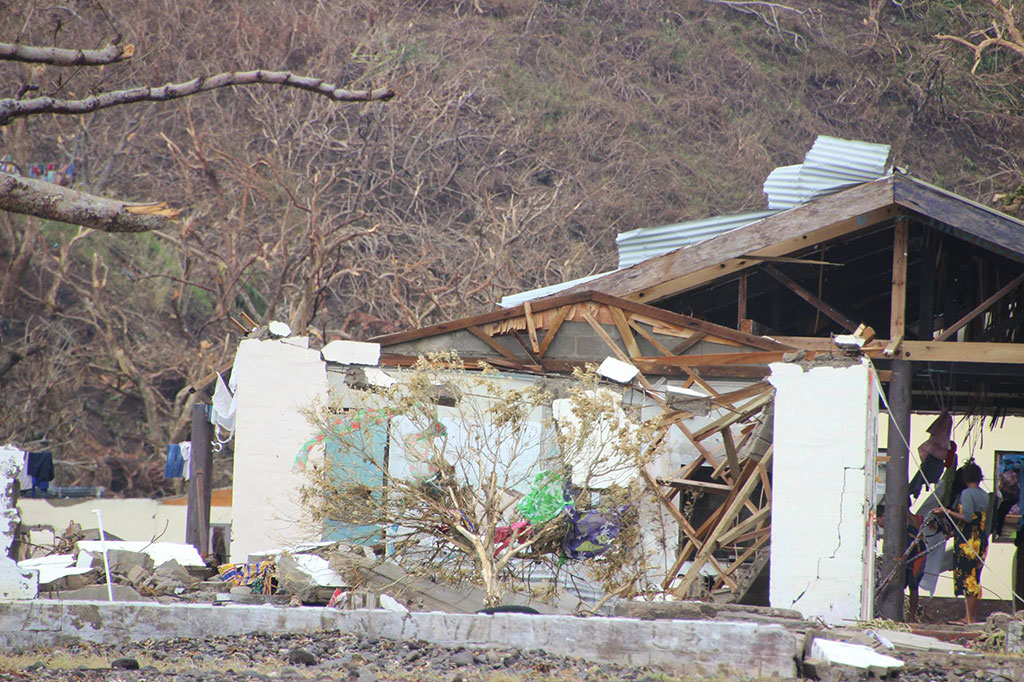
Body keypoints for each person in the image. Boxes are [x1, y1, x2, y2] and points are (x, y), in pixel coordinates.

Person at [947, 461, 990, 624]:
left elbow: (967, 516)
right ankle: (973, 616)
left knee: (967, 577)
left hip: (968, 541)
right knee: (975, 577)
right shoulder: (984, 495)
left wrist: (947, 512)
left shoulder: (967, 494)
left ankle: (968, 617)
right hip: (980, 538)